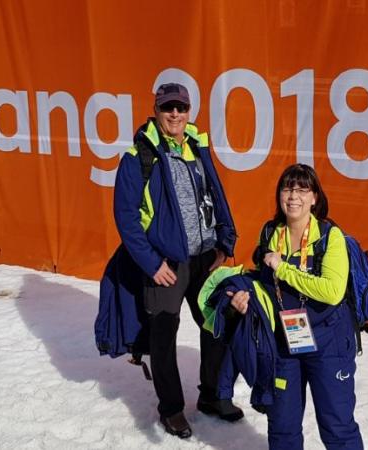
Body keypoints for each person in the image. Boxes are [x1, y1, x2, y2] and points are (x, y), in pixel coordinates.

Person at [113, 82, 241, 439]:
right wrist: (152, 263)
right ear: (156, 109)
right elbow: (126, 217)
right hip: (166, 263)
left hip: (204, 258)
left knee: (217, 323)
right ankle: (171, 409)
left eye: (181, 108)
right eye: (168, 107)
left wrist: (223, 240)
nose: (175, 114)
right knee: (163, 336)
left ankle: (212, 396)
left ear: (189, 112)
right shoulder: (139, 155)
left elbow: (215, 194)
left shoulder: (197, 147)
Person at [228, 164, 363, 449]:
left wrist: (284, 268)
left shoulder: (330, 236)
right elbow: (263, 283)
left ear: (315, 197)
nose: (293, 196)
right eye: (288, 189)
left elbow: (332, 291)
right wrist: (245, 299)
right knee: (282, 428)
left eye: (302, 190)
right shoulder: (269, 232)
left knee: (337, 427)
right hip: (284, 342)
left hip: (329, 342)